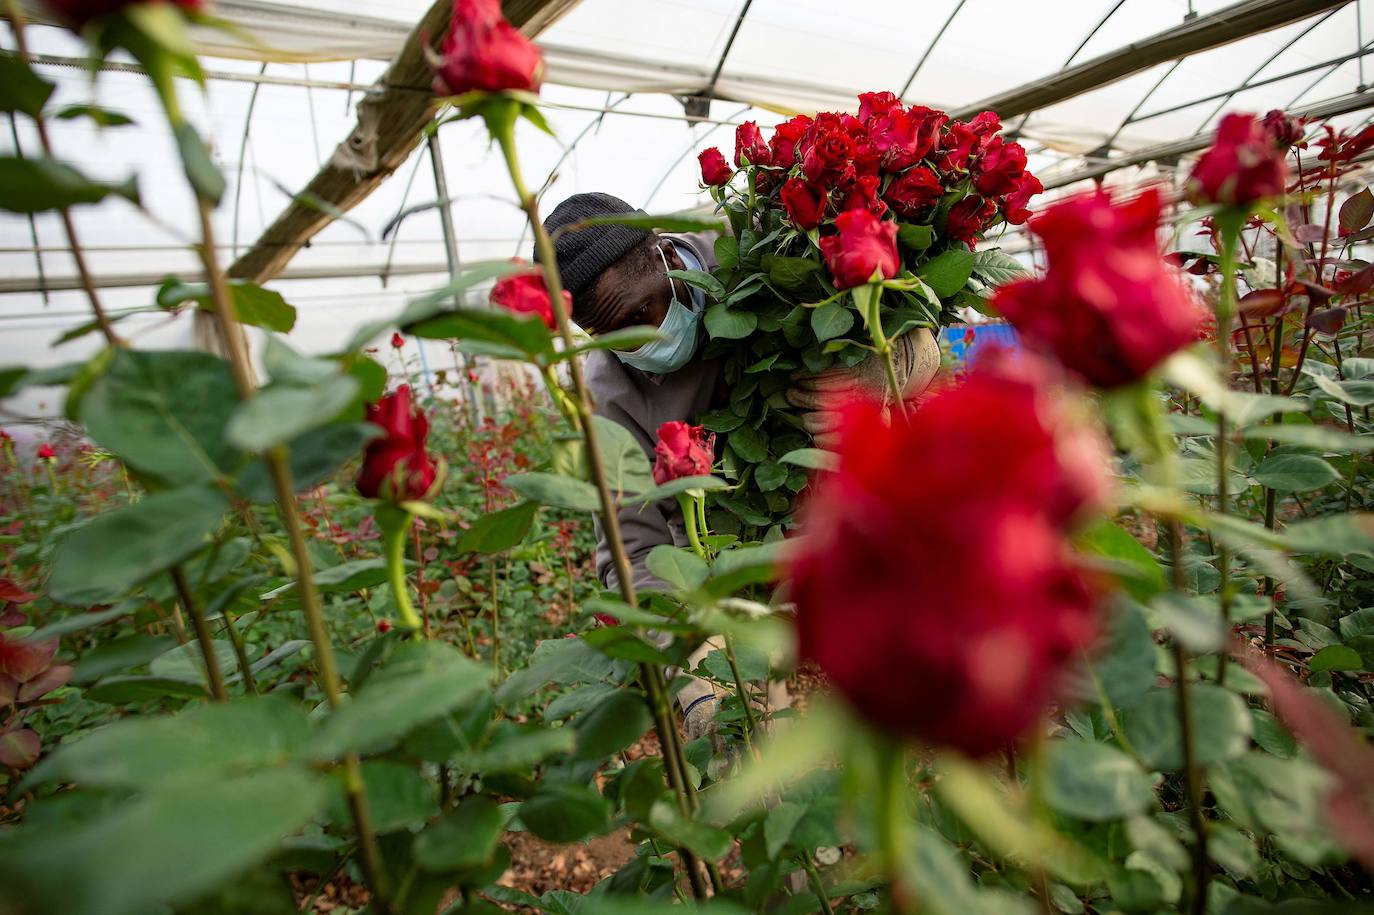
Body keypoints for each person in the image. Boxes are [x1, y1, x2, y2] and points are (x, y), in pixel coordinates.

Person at [540, 192, 939, 738]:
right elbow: (631, 542)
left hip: (864, 523)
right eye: (608, 335)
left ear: (666, 256)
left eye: (640, 315)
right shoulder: (610, 391)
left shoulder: (760, 243)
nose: (639, 342)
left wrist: (888, 370)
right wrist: (691, 667)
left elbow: (920, 319)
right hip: (733, 567)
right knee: (766, 732)